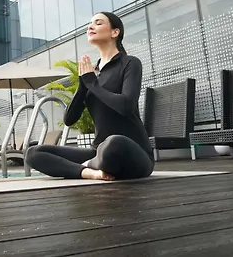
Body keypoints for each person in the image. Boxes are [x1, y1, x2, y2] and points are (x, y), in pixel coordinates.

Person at [26, 12, 154, 181]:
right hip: (98, 151)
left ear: (115, 32)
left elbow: (126, 106)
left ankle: (88, 164)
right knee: (33, 153)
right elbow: (69, 120)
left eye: (98, 23)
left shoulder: (130, 63)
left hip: (131, 152)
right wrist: (82, 86)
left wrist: (92, 84)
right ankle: (90, 172)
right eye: (90, 23)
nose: (90, 27)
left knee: (113, 143)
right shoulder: (92, 72)